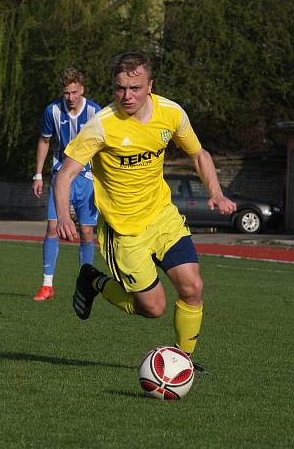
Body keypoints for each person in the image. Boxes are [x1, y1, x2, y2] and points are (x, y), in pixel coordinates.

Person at [54, 52, 236, 363]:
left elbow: (198, 154)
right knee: (153, 308)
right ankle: (93, 280)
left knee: (193, 287)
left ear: (149, 85)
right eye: (120, 88)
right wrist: (62, 216)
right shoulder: (102, 125)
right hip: (124, 230)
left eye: (135, 88)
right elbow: (65, 174)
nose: (127, 96)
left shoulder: (171, 114)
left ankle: (183, 362)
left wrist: (216, 193)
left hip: (162, 217)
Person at [31, 68, 101, 301]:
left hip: (88, 178)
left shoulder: (94, 111)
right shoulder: (52, 111)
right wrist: (38, 175)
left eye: (74, 92)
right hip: (61, 175)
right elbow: (44, 140)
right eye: (66, 93)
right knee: (52, 228)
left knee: (87, 232)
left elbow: (105, 146)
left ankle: (86, 284)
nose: (70, 97)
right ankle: (47, 285)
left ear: (82, 89)